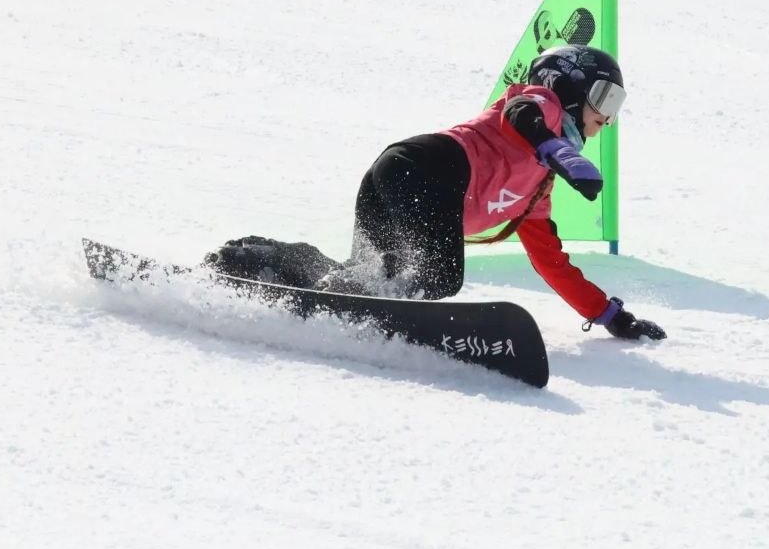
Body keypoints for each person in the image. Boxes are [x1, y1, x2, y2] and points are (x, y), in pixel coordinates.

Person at [204, 44, 667, 342]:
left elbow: (551, 263)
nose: (608, 118)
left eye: (617, 107)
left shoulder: (538, 189)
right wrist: (554, 149)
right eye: (605, 99)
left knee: (372, 275)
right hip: (424, 169)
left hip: (394, 174)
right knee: (441, 275)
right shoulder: (537, 104)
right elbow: (523, 111)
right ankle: (344, 300)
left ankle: (259, 258)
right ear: (568, 87)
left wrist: (611, 316)